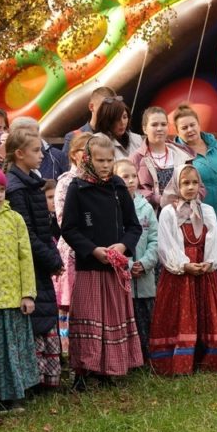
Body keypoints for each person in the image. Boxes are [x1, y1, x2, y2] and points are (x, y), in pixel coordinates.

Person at [60, 133, 144, 386]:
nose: (106, 165)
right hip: (90, 266)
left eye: (109, 160)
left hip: (115, 268)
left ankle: (110, 369)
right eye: (100, 160)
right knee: (89, 318)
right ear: (87, 159)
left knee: (113, 317)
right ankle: (84, 372)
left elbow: (134, 226)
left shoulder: (118, 186)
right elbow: (69, 228)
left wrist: (123, 246)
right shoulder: (77, 187)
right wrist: (93, 250)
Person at [150, 164, 217, 375]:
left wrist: (210, 262)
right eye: (185, 183)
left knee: (205, 310)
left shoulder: (206, 210)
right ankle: (178, 361)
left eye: (194, 183)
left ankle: (207, 359)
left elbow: (214, 238)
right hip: (180, 272)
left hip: (203, 270)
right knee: (181, 313)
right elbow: (166, 243)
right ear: (176, 185)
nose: (190, 187)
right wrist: (182, 264)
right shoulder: (169, 212)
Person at [5, 128, 64, 389]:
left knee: (44, 317)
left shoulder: (31, 182)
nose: (41, 155)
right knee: (34, 320)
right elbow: (26, 234)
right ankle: (35, 379)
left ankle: (46, 377)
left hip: (40, 262)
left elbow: (42, 227)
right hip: (31, 266)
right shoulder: (16, 188)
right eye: (36, 151)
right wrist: (51, 259)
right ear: (19, 154)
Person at [0, 166, 40, 410]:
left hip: (12, 298)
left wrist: (27, 293)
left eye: (2, 189)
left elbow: (25, 257)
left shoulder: (15, 220)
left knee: (11, 349)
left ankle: (14, 395)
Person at [113, 159, 158, 362]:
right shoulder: (113, 207)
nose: (130, 180)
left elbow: (155, 239)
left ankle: (147, 358)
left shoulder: (145, 207)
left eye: (133, 176)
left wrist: (146, 263)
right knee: (126, 318)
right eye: (125, 176)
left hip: (145, 278)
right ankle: (129, 359)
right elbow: (113, 242)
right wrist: (129, 266)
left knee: (146, 318)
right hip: (124, 278)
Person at [53, 133, 91, 355]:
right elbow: (64, 219)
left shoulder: (101, 180)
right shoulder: (67, 181)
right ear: (75, 155)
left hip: (95, 249)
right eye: (85, 150)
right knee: (70, 303)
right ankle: (69, 352)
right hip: (73, 250)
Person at [173, 105, 217, 233]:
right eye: (184, 128)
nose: (190, 130)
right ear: (177, 132)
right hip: (201, 225)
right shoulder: (176, 155)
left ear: (199, 125)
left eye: (192, 125)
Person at [130, 106, 195, 212]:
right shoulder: (135, 158)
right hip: (152, 217)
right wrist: (158, 199)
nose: (159, 128)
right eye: (154, 125)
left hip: (182, 214)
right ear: (145, 129)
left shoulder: (183, 155)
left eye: (163, 124)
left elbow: (199, 186)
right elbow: (133, 190)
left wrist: (189, 199)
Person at [61, 86, 117, 154]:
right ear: (91, 107)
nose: (109, 111)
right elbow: (65, 164)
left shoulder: (120, 136)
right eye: (104, 107)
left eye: (113, 108)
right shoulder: (74, 137)